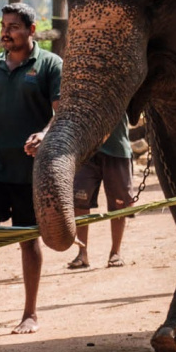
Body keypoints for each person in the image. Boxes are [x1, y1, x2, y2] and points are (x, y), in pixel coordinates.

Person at [0, 2, 59, 336]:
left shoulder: (49, 65)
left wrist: (44, 135)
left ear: (31, 30)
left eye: (14, 26)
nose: (6, 32)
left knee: (27, 239)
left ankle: (30, 313)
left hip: (30, 171)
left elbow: (60, 114)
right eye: (3, 26)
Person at [67, 114, 134, 270]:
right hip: (87, 151)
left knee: (118, 204)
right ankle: (82, 253)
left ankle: (115, 252)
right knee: (80, 200)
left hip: (117, 149)